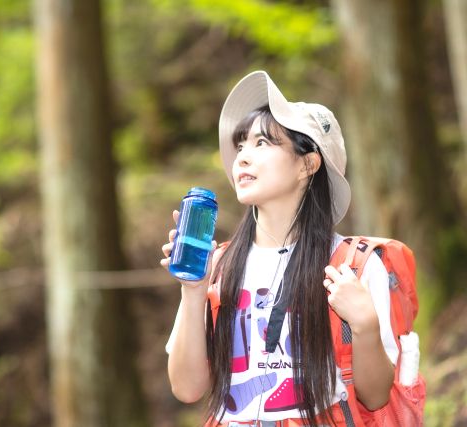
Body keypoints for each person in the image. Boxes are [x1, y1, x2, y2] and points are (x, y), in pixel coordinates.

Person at [160, 71, 399, 426]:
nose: (241, 157)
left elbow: (375, 395)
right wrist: (193, 292)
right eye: (241, 145)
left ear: (307, 164)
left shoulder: (352, 266)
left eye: (262, 143)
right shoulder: (220, 265)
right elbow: (187, 388)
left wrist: (364, 324)